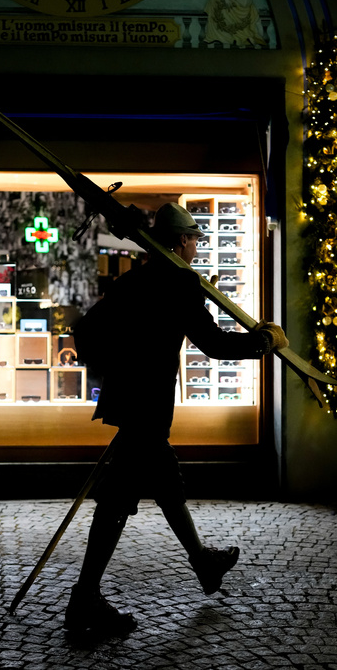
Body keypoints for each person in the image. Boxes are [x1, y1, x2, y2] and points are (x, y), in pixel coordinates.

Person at [65, 203, 289, 634]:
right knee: (115, 502)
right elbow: (214, 344)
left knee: (165, 483)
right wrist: (261, 343)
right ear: (182, 241)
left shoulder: (134, 281)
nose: (196, 248)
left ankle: (202, 563)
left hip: (130, 403)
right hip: (147, 410)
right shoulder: (180, 283)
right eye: (194, 240)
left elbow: (94, 337)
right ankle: (84, 600)